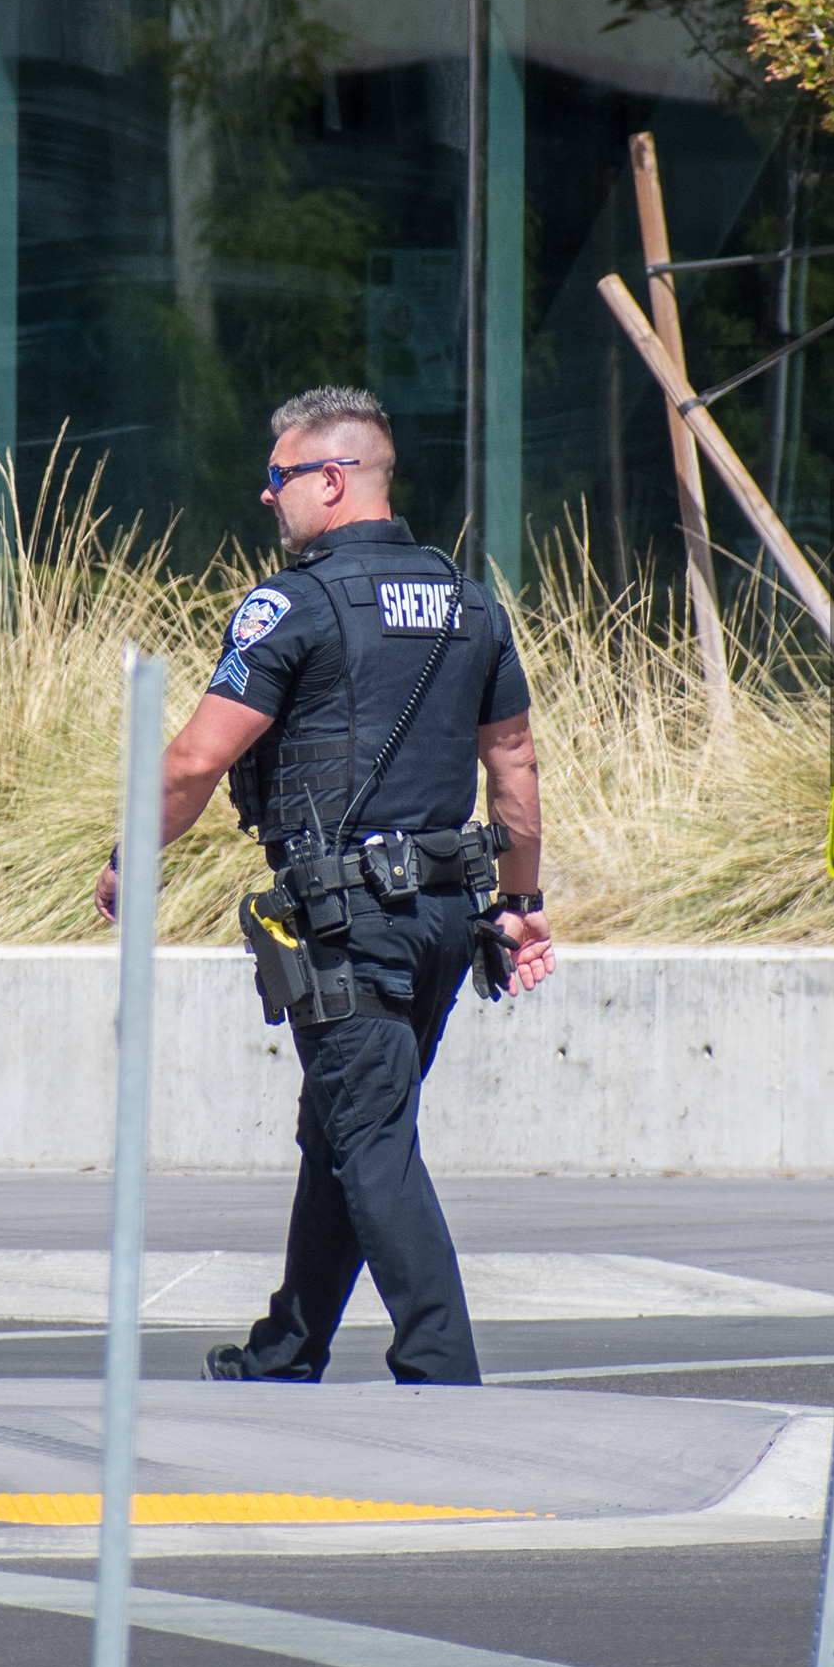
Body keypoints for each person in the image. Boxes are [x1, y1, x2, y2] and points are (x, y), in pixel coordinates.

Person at [93, 385, 554, 1384]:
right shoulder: (469, 601)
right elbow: (512, 762)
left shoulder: (294, 603)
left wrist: (134, 855)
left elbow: (191, 761)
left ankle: (442, 1366)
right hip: (444, 918)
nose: (269, 498)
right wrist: (521, 904)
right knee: (343, 1126)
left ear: (333, 480)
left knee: (370, 1134)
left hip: (350, 920)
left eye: (281, 477)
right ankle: (288, 1344)